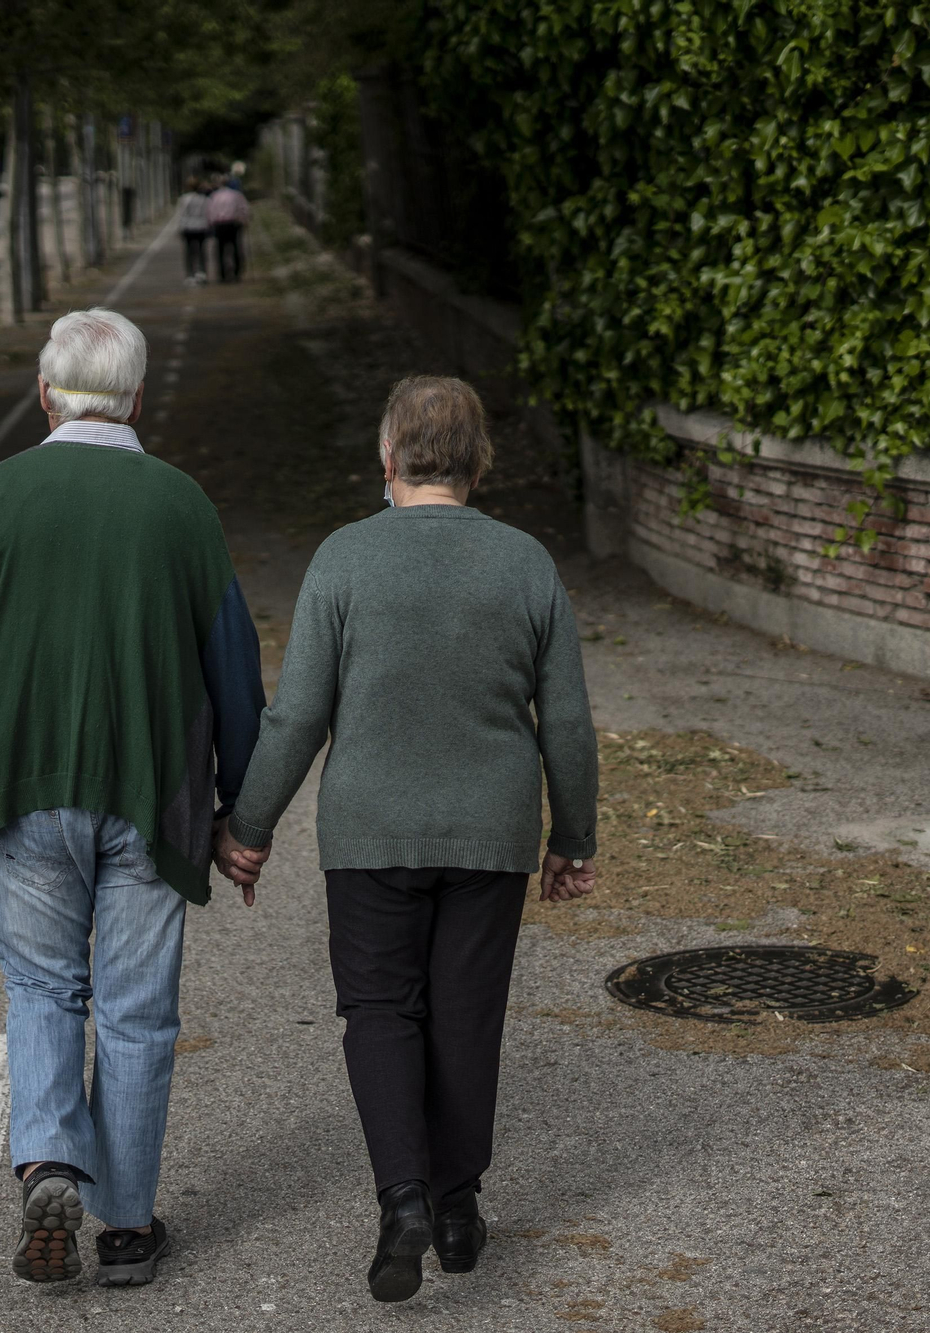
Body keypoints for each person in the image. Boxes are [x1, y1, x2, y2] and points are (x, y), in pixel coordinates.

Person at [0, 308, 266, 1288]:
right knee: (138, 1014)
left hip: (27, 791)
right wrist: (236, 811)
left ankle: (50, 1159)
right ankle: (127, 1228)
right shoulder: (181, 504)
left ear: (45, 394)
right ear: (137, 397)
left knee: (42, 987)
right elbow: (236, 678)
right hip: (153, 793)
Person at [217, 375, 598, 1303]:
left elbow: (299, 712)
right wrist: (573, 837)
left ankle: (403, 1203)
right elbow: (571, 722)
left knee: (381, 1009)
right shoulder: (525, 562)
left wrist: (249, 828)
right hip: (491, 831)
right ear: (477, 462)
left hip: (370, 831)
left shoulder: (344, 558)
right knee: (469, 1013)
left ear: (388, 460)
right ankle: (461, 1204)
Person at [205, 176, 250, 283]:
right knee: (235, 247)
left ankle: (222, 274)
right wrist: (244, 219)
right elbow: (243, 208)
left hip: (220, 224)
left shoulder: (215, 196)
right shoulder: (236, 195)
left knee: (220, 250)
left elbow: (210, 211)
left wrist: (211, 223)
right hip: (233, 223)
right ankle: (237, 272)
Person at [175, 175, 212, 285]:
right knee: (201, 250)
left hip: (188, 227)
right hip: (201, 226)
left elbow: (181, 214)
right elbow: (208, 213)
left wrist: (180, 228)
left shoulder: (183, 199)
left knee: (189, 252)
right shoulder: (205, 199)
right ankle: (202, 272)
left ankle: (190, 274)